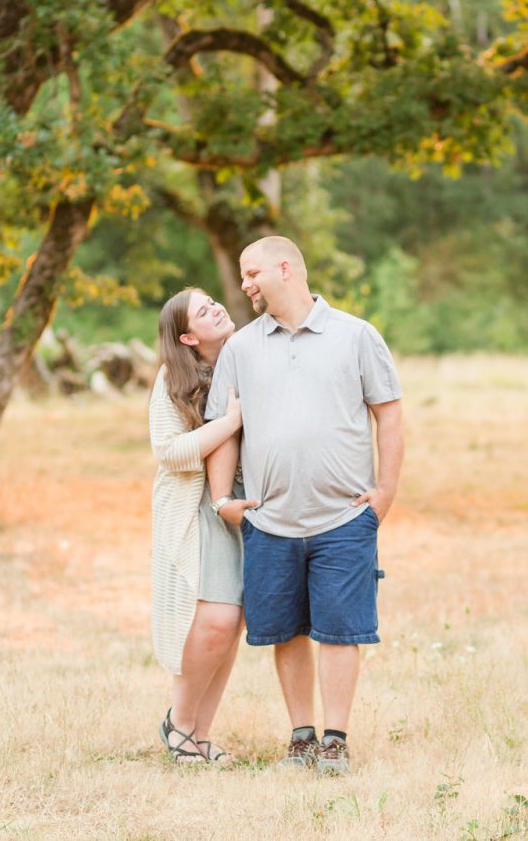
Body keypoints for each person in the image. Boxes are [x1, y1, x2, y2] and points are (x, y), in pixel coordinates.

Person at [204, 235, 403, 776]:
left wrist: (385, 493)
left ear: (285, 268)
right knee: (285, 630)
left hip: (344, 517)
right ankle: (301, 738)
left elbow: (389, 413)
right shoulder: (242, 348)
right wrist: (224, 500)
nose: (244, 285)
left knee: (342, 630)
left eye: (252, 273)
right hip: (269, 521)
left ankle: (335, 741)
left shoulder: (357, 337)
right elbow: (223, 431)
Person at [148, 287, 245, 763]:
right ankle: (179, 723)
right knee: (215, 619)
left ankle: (200, 734)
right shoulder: (173, 379)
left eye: (213, 301)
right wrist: (229, 423)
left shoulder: (249, 355)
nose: (216, 309)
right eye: (203, 311)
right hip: (197, 505)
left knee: (233, 624)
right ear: (187, 336)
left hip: (248, 502)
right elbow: (169, 453)